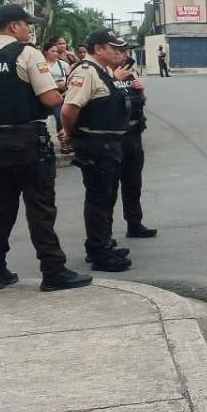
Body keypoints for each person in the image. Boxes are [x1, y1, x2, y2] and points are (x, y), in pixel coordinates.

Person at [0, 3, 91, 292]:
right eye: (26, 24)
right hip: (26, 140)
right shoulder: (27, 53)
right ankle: (53, 271)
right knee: (40, 207)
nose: (29, 29)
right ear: (13, 26)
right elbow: (51, 100)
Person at [61, 29, 134, 273]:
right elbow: (69, 109)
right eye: (115, 48)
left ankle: (103, 241)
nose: (120, 53)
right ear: (99, 48)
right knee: (99, 198)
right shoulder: (86, 72)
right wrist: (70, 134)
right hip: (95, 145)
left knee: (107, 196)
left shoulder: (102, 72)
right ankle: (98, 250)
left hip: (108, 145)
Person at [111, 51, 158, 239]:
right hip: (112, 138)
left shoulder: (131, 74)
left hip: (133, 135)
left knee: (133, 183)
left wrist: (141, 90)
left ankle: (134, 223)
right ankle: (102, 237)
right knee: (107, 189)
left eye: (124, 53)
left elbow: (142, 102)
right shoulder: (100, 73)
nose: (123, 57)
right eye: (118, 52)